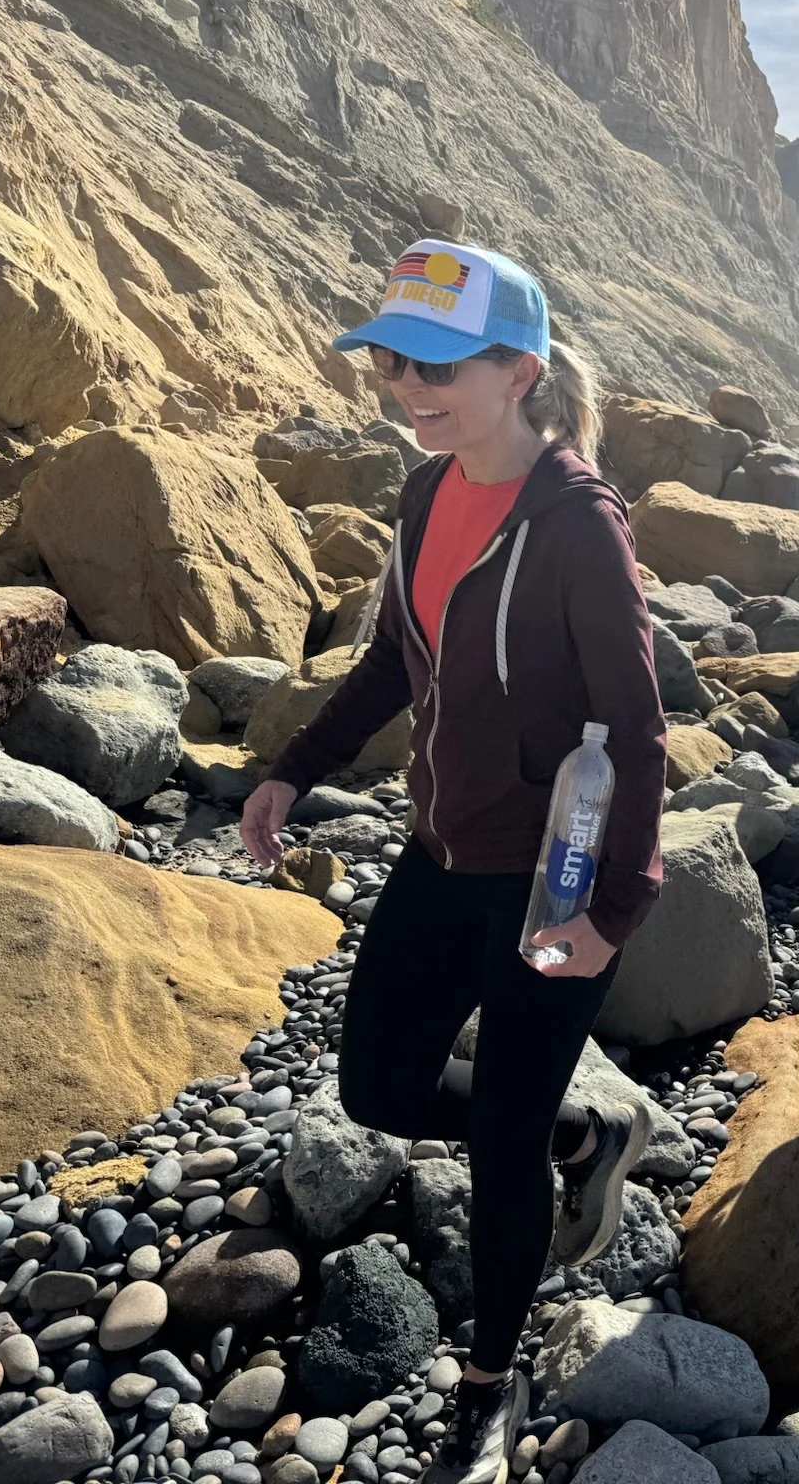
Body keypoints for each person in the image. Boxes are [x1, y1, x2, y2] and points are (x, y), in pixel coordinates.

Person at [239, 239, 667, 1484]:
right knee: (376, 1088)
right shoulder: (428, 491)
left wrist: (615, 910)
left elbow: (638, 729)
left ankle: (490, 1383)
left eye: (434, 366)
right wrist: (291, 768)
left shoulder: (579, 524)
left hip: (552, 880)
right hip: (439, 851)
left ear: (518, 371)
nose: (403, 387)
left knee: (497, 1147)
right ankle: (585, 1136)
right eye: (389, 362)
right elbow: (392, 658)